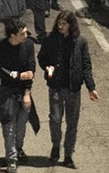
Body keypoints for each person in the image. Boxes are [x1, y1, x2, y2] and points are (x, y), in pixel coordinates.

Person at [37, 10, 97, 168]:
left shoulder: (80, 42)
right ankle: (55, 146)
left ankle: (68, 154)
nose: (60, 26)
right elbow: (42, 58)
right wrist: (47, 67)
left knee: (72, 123)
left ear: (71, 25)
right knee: (55, 120)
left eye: (64, 24)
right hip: (55, 87)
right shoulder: (50, 39)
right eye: (59, 23)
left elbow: (86, 66)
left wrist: (91, 87)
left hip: (73, 89)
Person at [0, 16, 35, 173]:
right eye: (22, 33)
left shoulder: (28, 45)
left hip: (23, 91)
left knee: (21, 126)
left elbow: (31, 70)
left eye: (25, 32)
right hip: (7, 91)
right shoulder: (0, 47)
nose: (26, 35)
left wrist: (27, 93)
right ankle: (12, 159)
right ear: (12, 35)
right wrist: (15, 75)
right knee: (8, 126)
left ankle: (18, 148)